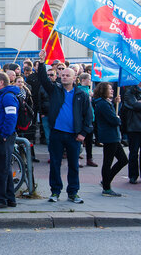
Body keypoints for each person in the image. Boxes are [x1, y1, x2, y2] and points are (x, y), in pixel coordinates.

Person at [38, 50, 93, 204]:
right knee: (55, 164)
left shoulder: (81, 95)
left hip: (74, 135)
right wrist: (42, 63)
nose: (64, 77)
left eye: (67, 75)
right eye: (62, 75)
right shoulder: (55, 89)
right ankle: (55, 192)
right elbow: (43, 79)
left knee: (73, 165)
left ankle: (73, 192)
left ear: (74, 78)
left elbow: (88, 116)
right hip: (57, 133)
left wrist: (83, 133)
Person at [0, 72, 19, 209]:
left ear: (1, 82)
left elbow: (11, 117)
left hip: (3, 136)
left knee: (0, 169)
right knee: (5, 169)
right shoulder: (1, 96)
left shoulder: (7, 97)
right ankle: (10, 198)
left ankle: (1, 199)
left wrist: (5, 134)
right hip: (1, 135)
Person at [93, 82, 128, 197]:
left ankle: (106, 181)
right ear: (103, 91)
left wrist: (115, 103)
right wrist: (118, 119)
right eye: (110, 89)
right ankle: (106, 187)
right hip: (110, 136)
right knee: (108, 162)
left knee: (123, 160)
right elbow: (114, 120)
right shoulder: (102, 104)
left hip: (112, 136)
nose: (112, 90)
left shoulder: (105, 102)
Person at [78, 73, 98, 167]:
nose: (90, 80)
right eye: (89, 79)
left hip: (91, 118)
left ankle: (89, 159)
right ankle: (77, 158)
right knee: (79, 140)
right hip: (82, 119)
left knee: (89, 141)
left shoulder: (90, 91)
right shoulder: (79, 90)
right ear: (83, 80)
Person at [124, 81, 141, 184]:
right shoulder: (130, 91)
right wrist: (137, 104)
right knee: (134, 152)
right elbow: (134, 105)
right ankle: (133, 175)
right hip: (134, 127)